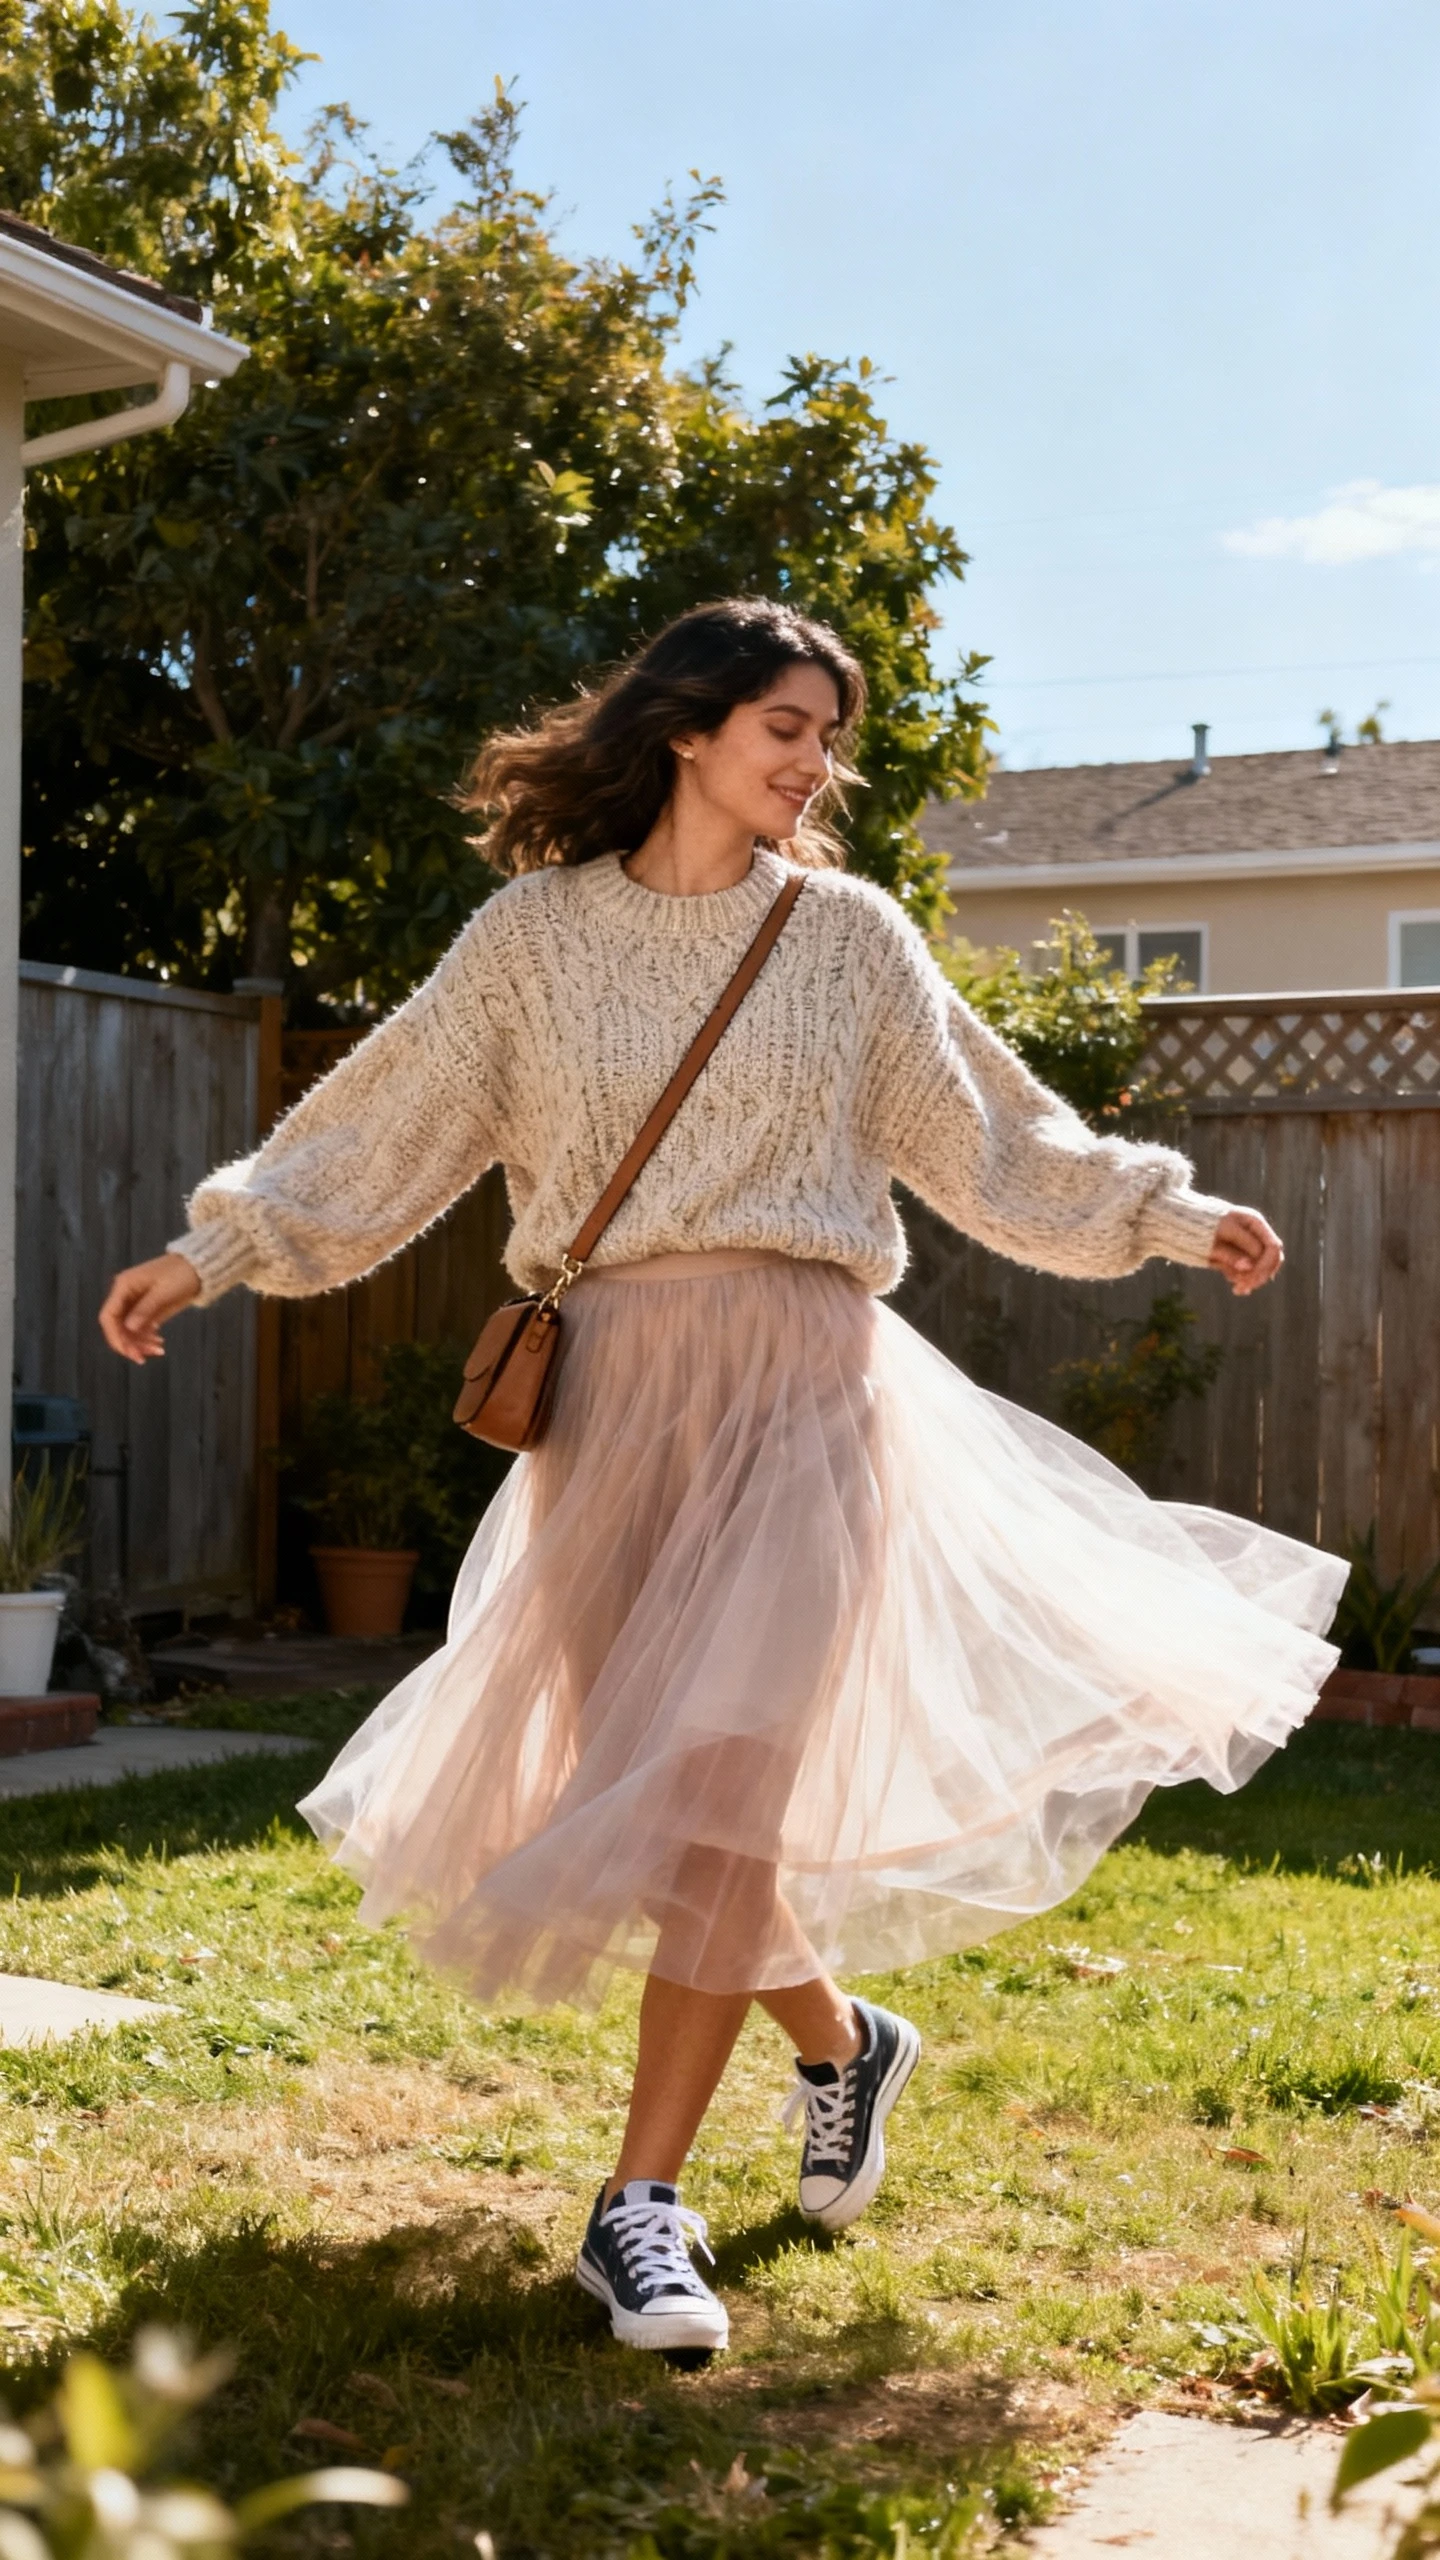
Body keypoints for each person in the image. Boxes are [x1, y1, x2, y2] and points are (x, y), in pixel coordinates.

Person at [100, 598, 1345, 2361]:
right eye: (785, 727)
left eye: (826, 736)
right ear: (687, 728)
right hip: (614, 1406)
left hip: (807, 1392)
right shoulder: (533, 942)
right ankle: (844, 2044)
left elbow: (997, 1142)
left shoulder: (845, 939)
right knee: (668, 1789)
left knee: (723, 1779)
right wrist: (214, 1253)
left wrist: (1162, 1210)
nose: (812, 765)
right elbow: (376, 1130)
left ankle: (639, 2212)